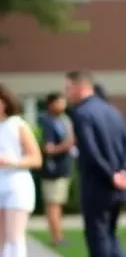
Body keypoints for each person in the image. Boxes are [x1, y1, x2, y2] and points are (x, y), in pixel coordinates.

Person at [64, 71, 126, 257]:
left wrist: (111, 176)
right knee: (107, 233)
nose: (66, 93)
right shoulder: (112, 111)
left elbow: (90, 151)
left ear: (79, 87)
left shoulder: (82, 113)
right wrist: (124, 172)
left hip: (98, 184)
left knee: (96, 233)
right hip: (117, 184)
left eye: (68, 88)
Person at [0, 84, 43, 257]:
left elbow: (36, 158)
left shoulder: (17, 125)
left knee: (14, 236)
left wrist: (12, 161)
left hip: (16, 183)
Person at [39, 92, 76, 246]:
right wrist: (67, 145)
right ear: (51, 103)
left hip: (62, 167)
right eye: (60, 102)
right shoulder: (46, 121)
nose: (63, 106)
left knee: (57, 204)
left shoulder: (64, 120)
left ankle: (58, 234)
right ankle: (57, 237)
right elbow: (48, 148)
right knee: (53, 204)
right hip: (52, 169)